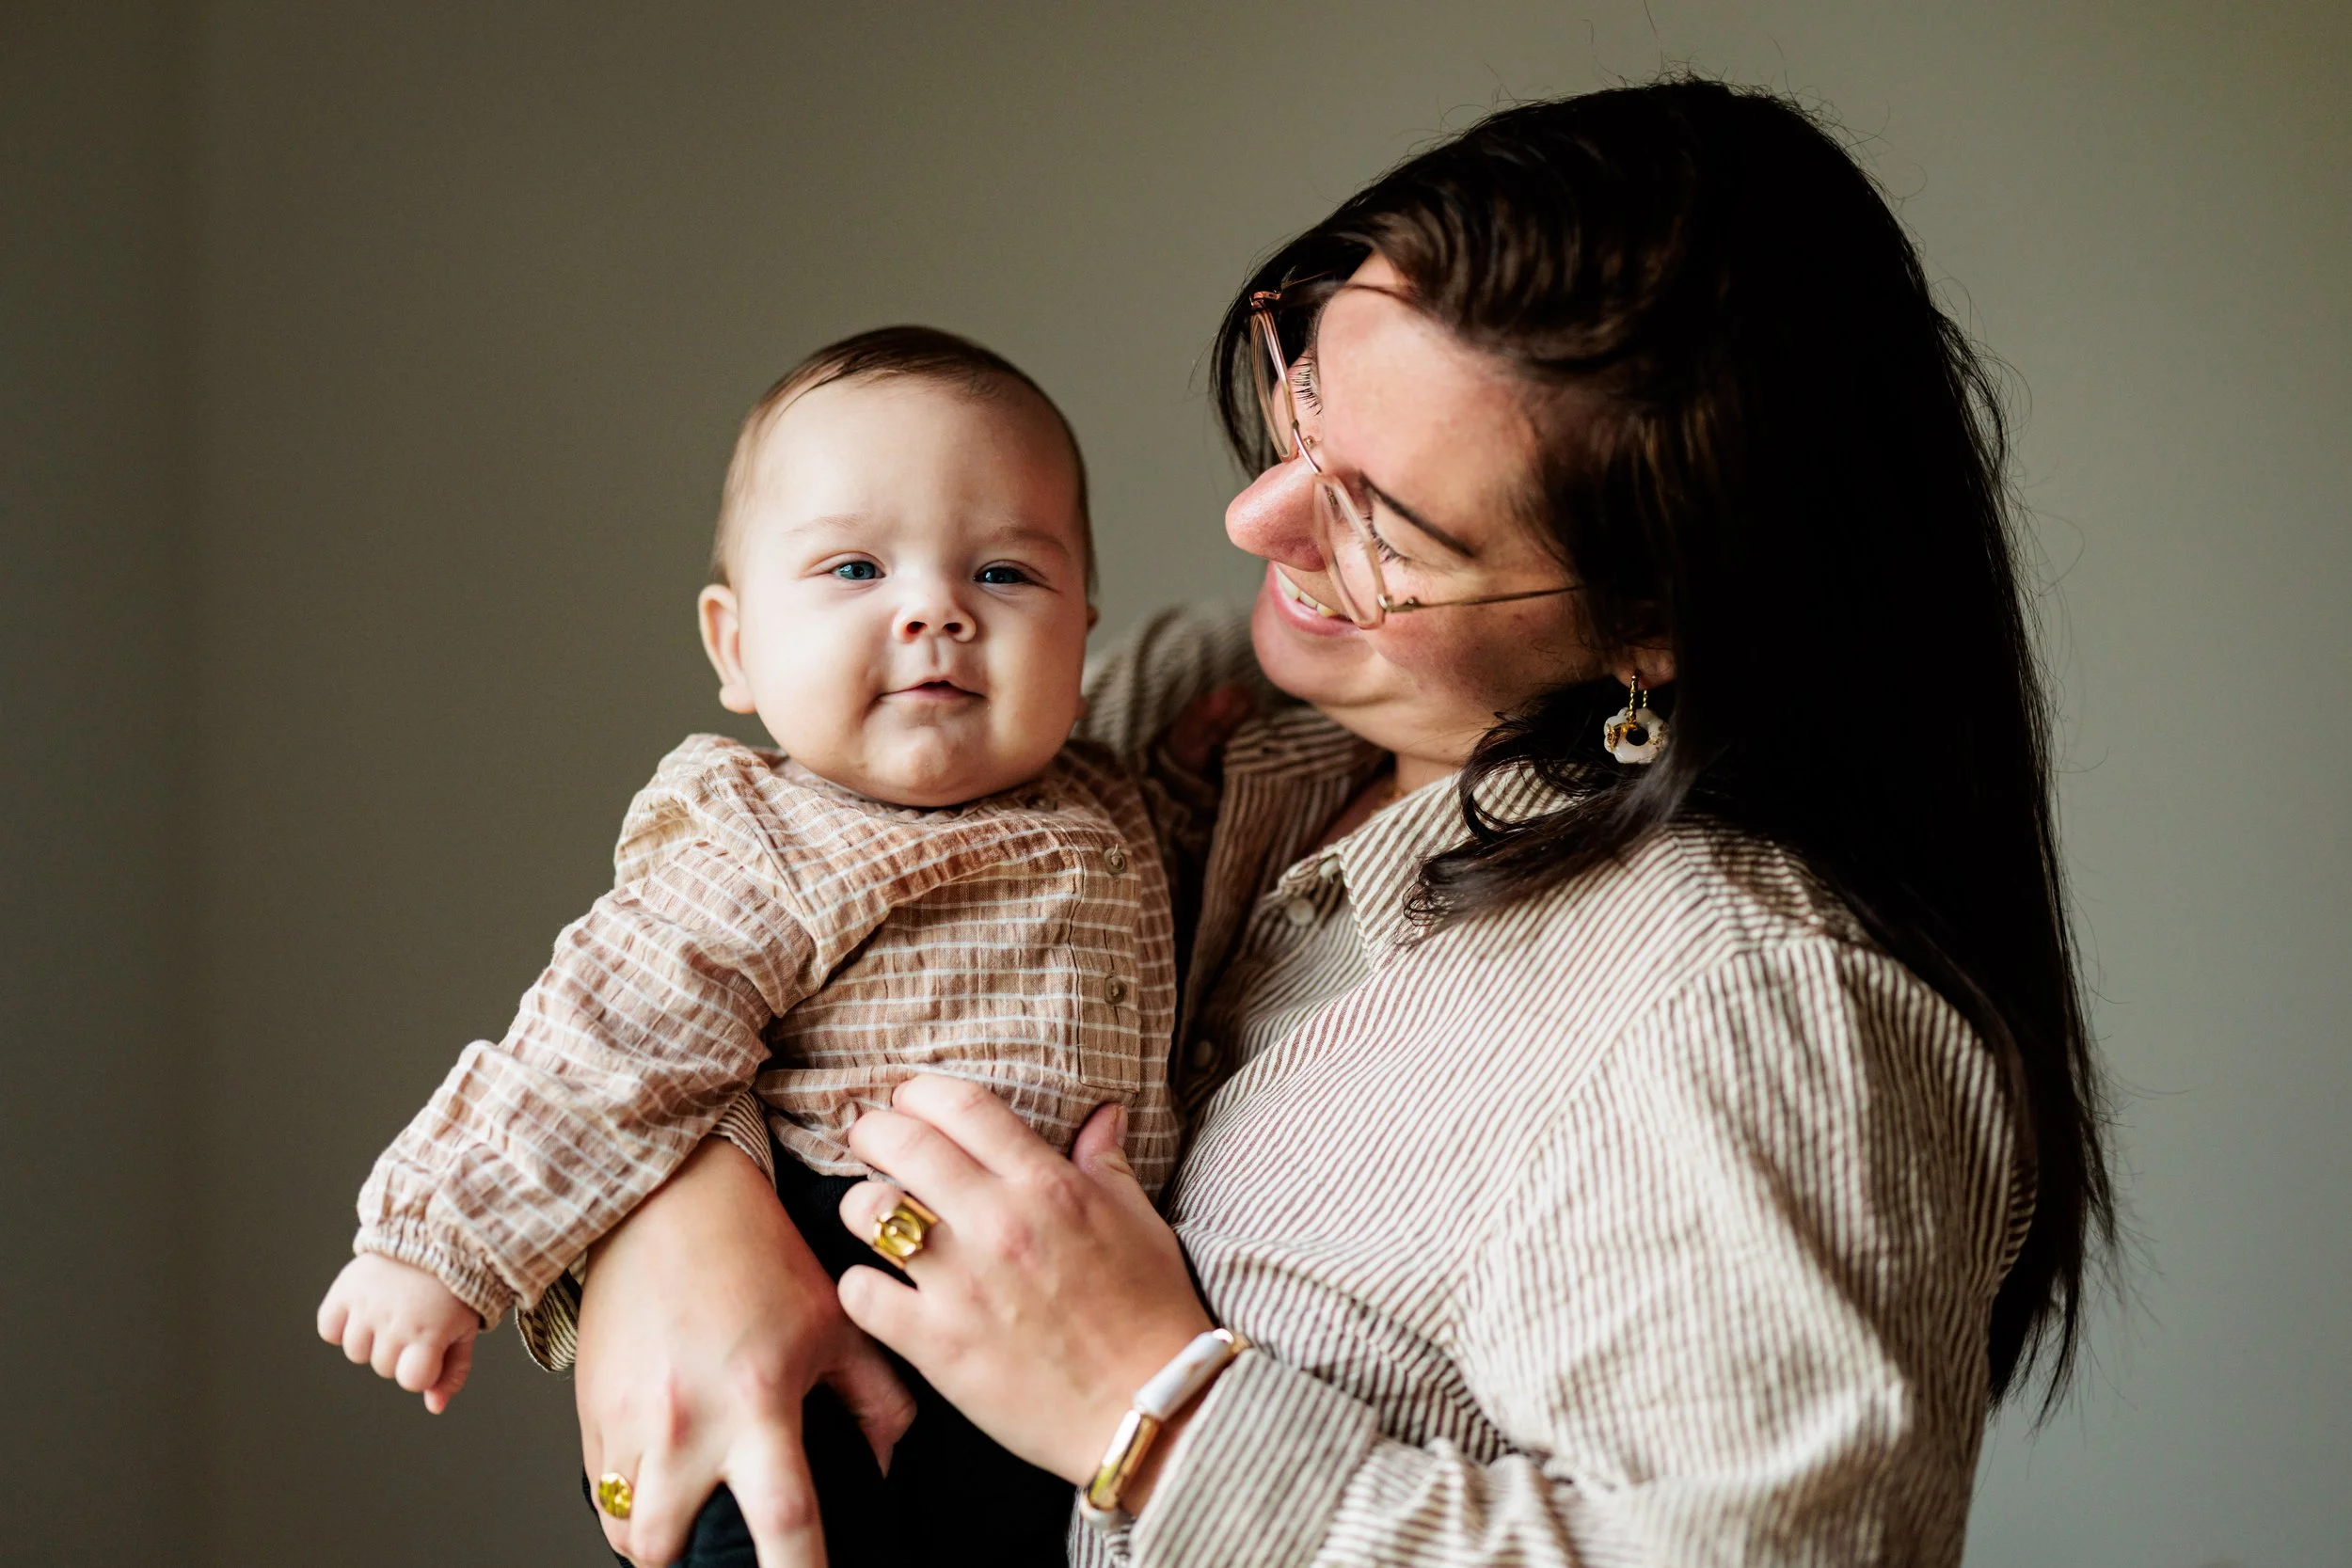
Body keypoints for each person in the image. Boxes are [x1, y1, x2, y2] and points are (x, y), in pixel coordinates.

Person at [563, 77, 2115, 1568]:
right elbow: (736, 915)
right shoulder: (1171, 713)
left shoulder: (1751, 1010)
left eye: (1383, 520)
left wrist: (1153, 1414)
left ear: (1655, 625)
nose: (1260, 514)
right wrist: (687, 1217)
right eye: (1299, 384)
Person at [314, 326, 1193, 1567]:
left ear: (1083, 635)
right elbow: (607, 1034)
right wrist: (438, 1240)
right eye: (853, 568)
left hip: (1049, 1349)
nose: (934, 608)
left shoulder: (1126, 799)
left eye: (1004, 574)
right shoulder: (769, 838)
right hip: (820, 1287)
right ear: (735, 645)